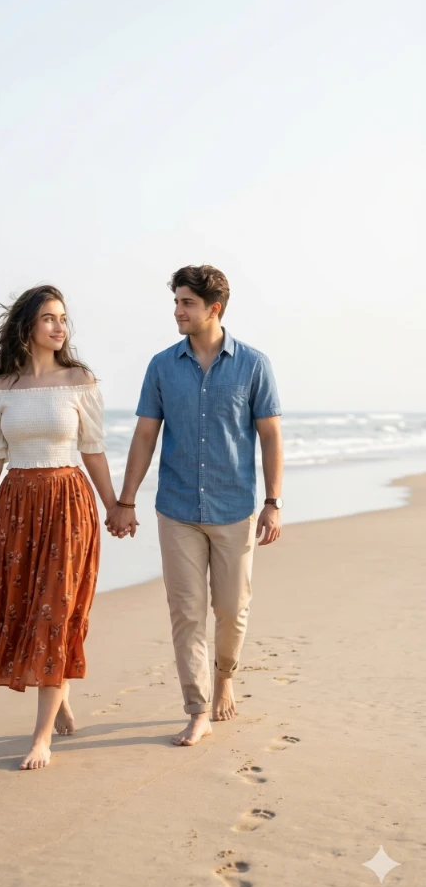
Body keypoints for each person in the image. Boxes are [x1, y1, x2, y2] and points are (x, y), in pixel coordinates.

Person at [0, 284, 121, 770]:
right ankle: (59, 700)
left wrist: (116, 505)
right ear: (27, 327)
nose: (59, 327)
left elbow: (93, 450)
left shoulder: (79, 380)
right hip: (17, 506)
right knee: (23, 605)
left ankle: (40, 739)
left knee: (55, 611)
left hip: (67, 504)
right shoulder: (2, 389)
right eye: (49, 319)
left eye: (63, 319)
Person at [105, 265, 284, 748]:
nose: (178, 311)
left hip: (234, 508)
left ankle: (225, 675)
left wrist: (273, 502)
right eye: (177, 302)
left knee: (231, 610)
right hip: (177, 508)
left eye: (187, 303)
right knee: (186, 612)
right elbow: (146, 435)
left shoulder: (253, 365)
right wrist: (126, 500)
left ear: (213, 309)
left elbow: (270, 436)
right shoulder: (162, 366)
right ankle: (197, 708)